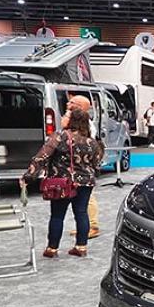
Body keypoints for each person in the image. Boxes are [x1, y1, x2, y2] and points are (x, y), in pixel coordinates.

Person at [23, 108, 104, 258]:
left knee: (57, 215)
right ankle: (81, 247)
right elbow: (97, 164)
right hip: (85, 183)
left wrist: (29, 176)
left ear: (72, 120)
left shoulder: (60, 137)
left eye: (66, 115)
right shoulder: (91, 142)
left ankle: (52, 249)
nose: (63, 117)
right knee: (81, 213)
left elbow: (42, 156)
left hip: (61, 183)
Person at [64, 95, 101, 239]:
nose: (68, 104)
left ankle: (93, 226)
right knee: (83, 201)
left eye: (72, 102)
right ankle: (85, 226)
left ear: (79, 106)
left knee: (88, 198)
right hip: (80, 167)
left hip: (83, 168)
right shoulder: (83, 122)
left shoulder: (86, 124)